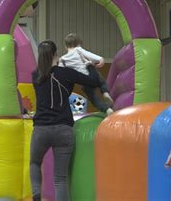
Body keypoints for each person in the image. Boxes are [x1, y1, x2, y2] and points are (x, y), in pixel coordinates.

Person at [30, 40, 102, 201]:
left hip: (41, 128)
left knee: (35, 163)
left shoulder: (35, 76)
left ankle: (36, 194)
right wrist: (89, 65)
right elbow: (94, 81)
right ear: (56, 54)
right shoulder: (66, 73)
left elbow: (48, 77)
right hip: (63, 129)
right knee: (60, 178)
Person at [59, 33, 114, 115]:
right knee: (101, 81)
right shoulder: (78, 50)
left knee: (94, 99)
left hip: (83, 81)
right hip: (91, 75)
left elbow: (60, 71)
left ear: (66, 46)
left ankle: (107, 110)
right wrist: (100, 59)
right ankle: (105, 93)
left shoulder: (63, 59)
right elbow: (90, 55)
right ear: (79, 44)